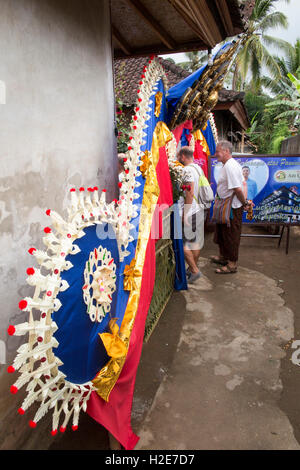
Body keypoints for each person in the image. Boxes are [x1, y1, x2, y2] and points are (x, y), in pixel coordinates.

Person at [211, 141, 251, 274]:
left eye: (218, 152)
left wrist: (244, 203)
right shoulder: (227, 165)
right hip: (224, 205)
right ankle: (224, 257)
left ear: (226, 151)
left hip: (232, 207)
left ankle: (232, 264)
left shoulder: (230, 166)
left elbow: (238, 189)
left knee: (231, 235)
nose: (216, 154)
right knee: (222, 233)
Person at [177, 146, 205, 284]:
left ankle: (194, 270)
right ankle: (192, 268)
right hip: (199, 209)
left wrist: (185, 214)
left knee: (183, 243)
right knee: (195, 242)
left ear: (182, 156)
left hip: (191, 211)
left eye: (178, 157)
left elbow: (189, 192)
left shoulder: (187, 170)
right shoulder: (198, 168)